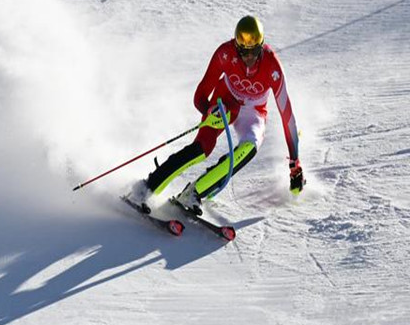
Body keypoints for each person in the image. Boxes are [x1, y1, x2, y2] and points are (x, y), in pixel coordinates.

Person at [127, 15, 305, 215]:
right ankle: (145, 188)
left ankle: (194, 193)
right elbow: (200, 94)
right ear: (235, 47)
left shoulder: (273, 67)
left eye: (253, 53)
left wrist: (294, 163)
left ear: (261, 47)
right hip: (225, 101)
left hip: (254, 111)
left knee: (250, 147)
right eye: (243, 53)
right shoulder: (225, 54)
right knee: (202, 149)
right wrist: (208, 111)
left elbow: (287, 115)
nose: (248, 59)